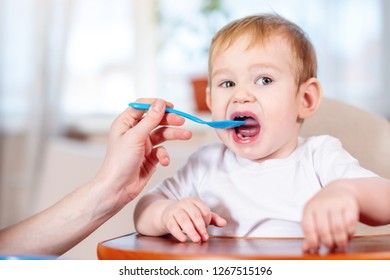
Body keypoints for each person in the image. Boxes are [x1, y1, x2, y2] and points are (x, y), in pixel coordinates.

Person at [133, 14, 390, 253]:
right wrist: (166, 213)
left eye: (264, 80)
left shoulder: (319, 156)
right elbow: (144, 211)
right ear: (211, 100)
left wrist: (348, 192)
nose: (241, 94)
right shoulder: (206, 163)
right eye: (228, 83)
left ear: (306, 99)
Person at [0, 98, 192, 256]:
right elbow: (147, 210)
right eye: (223, 84)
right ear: (208, 97)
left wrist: (112, 186)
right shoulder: (202, 166)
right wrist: (165, 213)